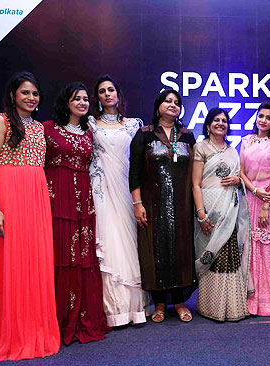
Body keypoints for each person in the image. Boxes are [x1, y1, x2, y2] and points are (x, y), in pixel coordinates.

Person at [0, 72, 60, 360]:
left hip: (36, 198)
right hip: (9, 197)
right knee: (12, 264)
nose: (30, 97)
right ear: (13, 95)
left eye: (35, 93)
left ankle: (35, 330)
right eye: (25, 92)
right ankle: (12, 333)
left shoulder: (40, 127)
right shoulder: (0, 121)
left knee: (35, 263)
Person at [43, 82, 110, 345]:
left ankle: (82, 314)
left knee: (82, 257)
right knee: (60, 254)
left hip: (83, 201)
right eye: (76, 98)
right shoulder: (48, 128)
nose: (82, 103)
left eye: (85, 99)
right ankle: (56, 318)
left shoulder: (89, 133)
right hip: (56, 200)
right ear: (66, 102)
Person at [129, 89, 196, 323]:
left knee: (181, 250)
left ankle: (178, 302)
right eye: (168, 101)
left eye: (177, 102)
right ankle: (158, 303)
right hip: (152, 204)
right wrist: (137, 203)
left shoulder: (187, 136)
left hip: (182, 205)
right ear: (158, 105)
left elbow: (195, 173)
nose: (172, 105)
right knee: (154, 251)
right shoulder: (144, 134)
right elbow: (134, 171)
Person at [89, 75, 146, 327]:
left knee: (130, 244)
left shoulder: (133, 124)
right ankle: (114, 310)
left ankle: (135, 307)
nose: (107, 94)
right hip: (101, 190)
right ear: (98, 97)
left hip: (126, 189)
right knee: (110, 242)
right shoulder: (90, 124)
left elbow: (139, 162)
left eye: (110, 89)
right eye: (102, 91)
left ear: (118, 93)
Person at [192, 108, 251, 322]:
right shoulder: (200, 148)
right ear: (208, 125)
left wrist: (238, 181)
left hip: (229, 210)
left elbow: (239, 178)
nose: (220, 123)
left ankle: (230, 307)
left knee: (228, 255)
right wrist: (201, 214)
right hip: (209, 208)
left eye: (224, 121)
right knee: (211, 254)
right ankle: (210, 306)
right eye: (216, 120)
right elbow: (195, 184)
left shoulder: (233, 151)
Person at [239, 101, 270, 316]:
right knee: (250, 249)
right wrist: (254, 190)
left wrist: (266, 203)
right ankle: (250, 301)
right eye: (261, 116)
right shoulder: (246, 141)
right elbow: (241, 172)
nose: (264, 120)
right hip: (251, 197)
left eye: (269, 117)